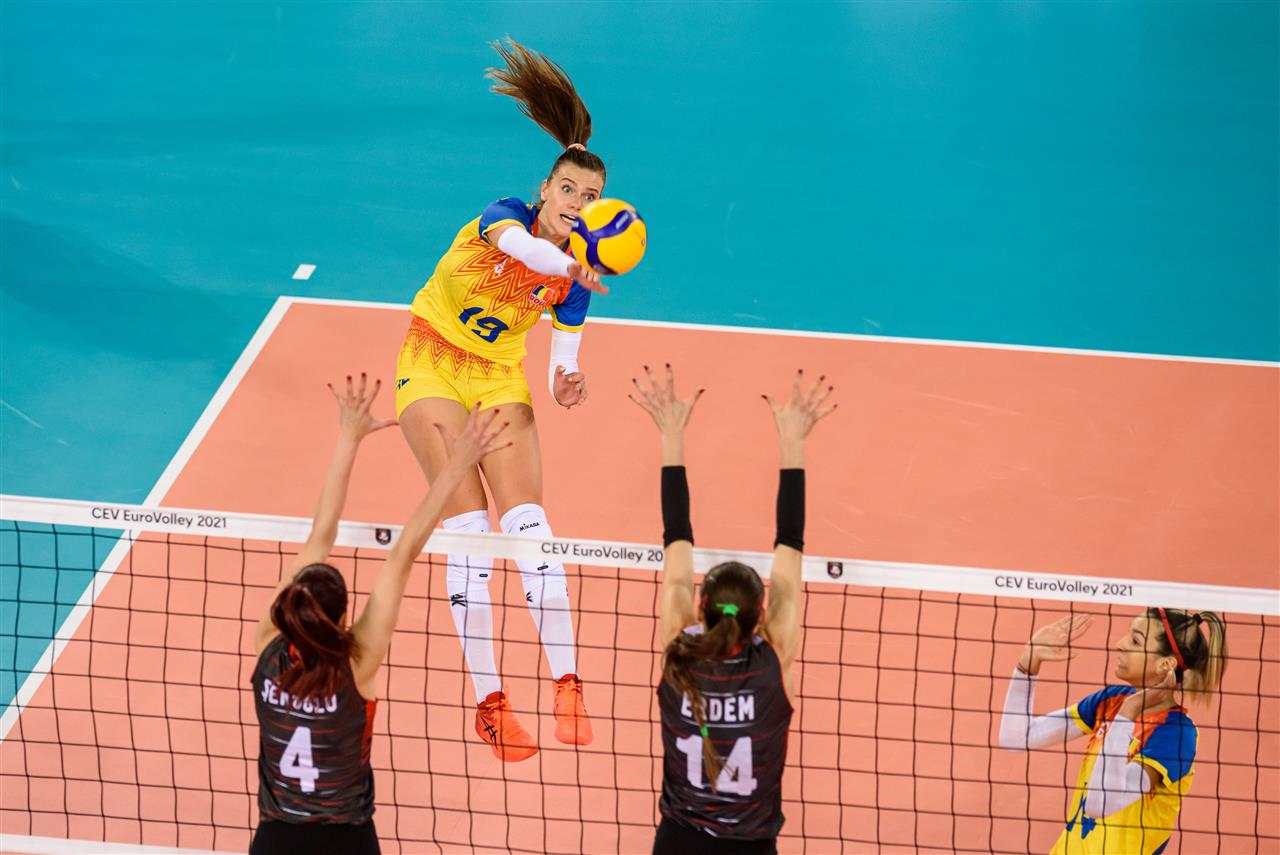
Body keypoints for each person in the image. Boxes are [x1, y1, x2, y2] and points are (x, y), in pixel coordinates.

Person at [394, 38, 608, 762]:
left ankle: (568, 683)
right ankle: (490, 703)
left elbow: (562, 364)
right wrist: (574, 264)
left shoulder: (575, 281)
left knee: (529, 529)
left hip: (496, 376)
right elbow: (528, 252)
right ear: (545, 189)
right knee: (471, 533)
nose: (577, 204)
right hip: (430, 364)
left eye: (590, 198)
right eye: (569, 191)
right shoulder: (505, 216)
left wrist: (566, 382)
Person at [249, 375, 509, 854]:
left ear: (290, 609)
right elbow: (403, 552)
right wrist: (457, 466)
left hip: (277, 839)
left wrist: (348, 437)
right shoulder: (356, 664)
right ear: (342, 617)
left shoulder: (269, 646)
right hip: (347, 840)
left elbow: (320, 535)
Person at [630, 365, 835, 854]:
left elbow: (675, 540)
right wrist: (793, 443)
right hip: (750, 846)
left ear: (700, 606)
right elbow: (791, 544)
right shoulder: (772, 659)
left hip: (678, 843)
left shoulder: (679, 654)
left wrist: (671, 435)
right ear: (761, 615)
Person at [999, 609, 1228, 854]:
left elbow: (1100, 803)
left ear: (1165, 664)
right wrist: (1028, 662)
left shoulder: (1176, 734)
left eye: (1135, 641)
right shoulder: (1111, 701)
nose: (1120, 643)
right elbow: (1016, 737)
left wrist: (1127, 714)